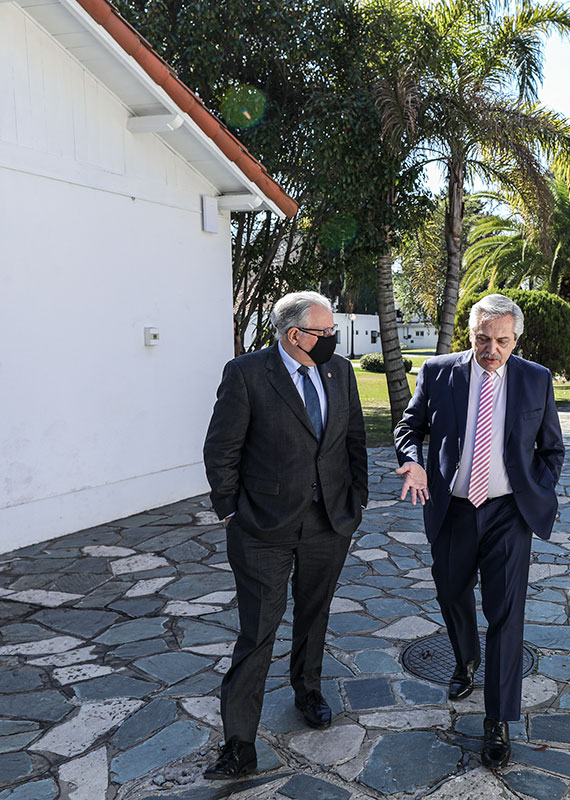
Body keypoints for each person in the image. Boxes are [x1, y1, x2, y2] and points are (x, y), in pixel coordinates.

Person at [393, 294, 565, 769]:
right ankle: (466, 658)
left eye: (502, 341)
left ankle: (498, 720)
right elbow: (410, 427)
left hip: (509, 514)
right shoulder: (439, 371)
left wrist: (536, 490)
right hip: (454, 509)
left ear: (516, 339)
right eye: (483, 339)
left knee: (507, 615)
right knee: (451, 591)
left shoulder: (536, 379)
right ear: (470, 334)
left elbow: (552, 448)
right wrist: (412, 462)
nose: (492, 349)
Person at [202, 291, 368, 779]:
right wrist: (230, 512)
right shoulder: (248, 374)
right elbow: (221, 449)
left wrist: (355, 499)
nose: (332, 339)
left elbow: (354, 437)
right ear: (295, 335)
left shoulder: (341, 372)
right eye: (324, 332)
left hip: (329, 522)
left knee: (314, 615)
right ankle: (238, 743)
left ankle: (308, 691)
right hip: (261, 528)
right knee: (257, 632)